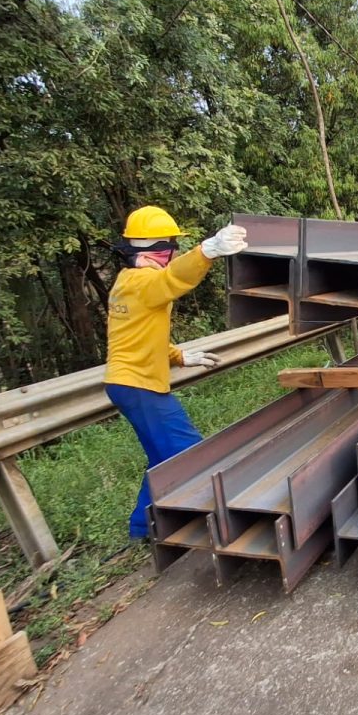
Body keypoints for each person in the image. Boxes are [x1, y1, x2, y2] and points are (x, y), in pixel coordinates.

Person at [103, 205, 248, 539]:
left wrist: (182, 357)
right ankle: (217, 525)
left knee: (161, 459)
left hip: (128, 383)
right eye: (172, 244)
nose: (173, 252)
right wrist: (207, 250)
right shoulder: (144, 281)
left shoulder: (127, 282)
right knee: (189, 453)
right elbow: (173, 279)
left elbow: (137, 336)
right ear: (161, 247)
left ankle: (142, 528)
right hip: (140, 387)